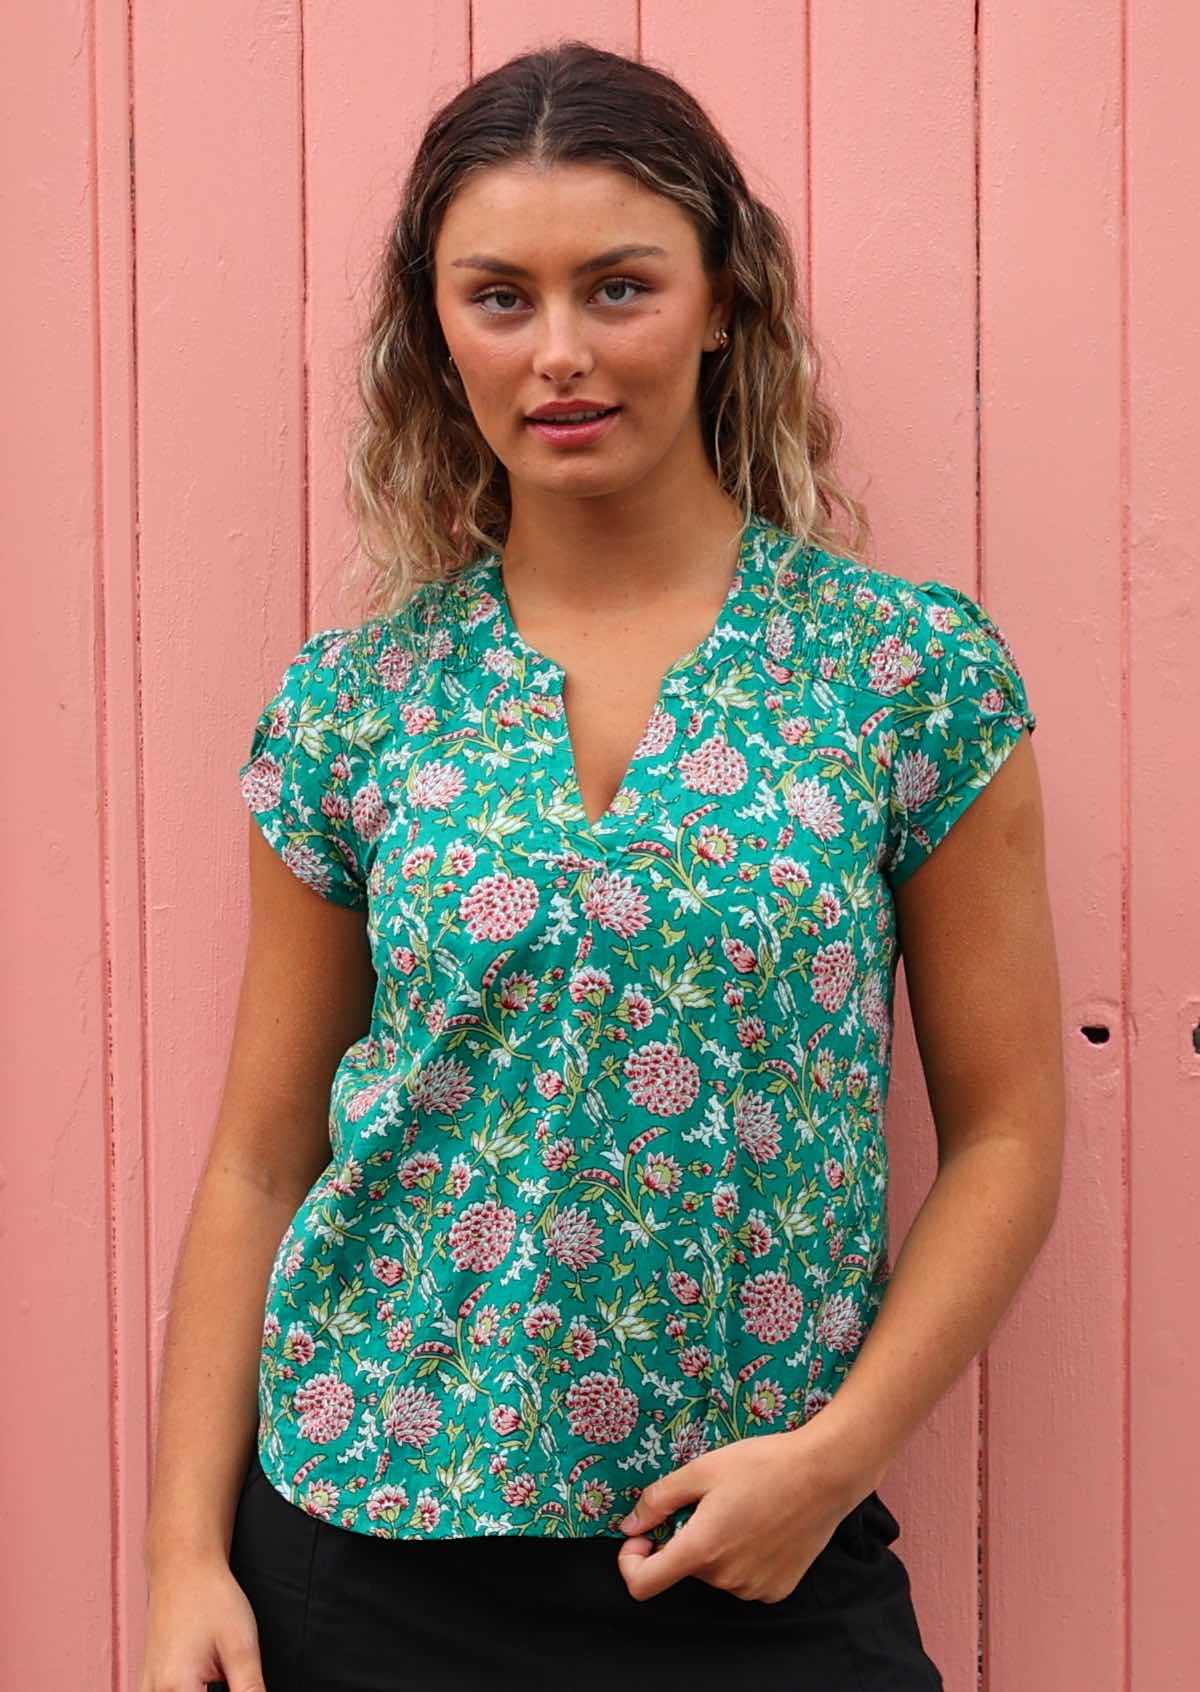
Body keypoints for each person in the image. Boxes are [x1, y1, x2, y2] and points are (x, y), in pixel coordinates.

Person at [140, 38, 1064, 1692]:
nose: (560, 352)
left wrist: (839, 1455)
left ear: (723, 304)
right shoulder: (356, 707)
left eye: (619, 287)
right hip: (362, 1552)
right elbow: (258, 1161)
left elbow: (1004, 1129)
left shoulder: (905, 675)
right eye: (501, 297)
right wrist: (182, 1567)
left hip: (751, 1544)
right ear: (441, 331)